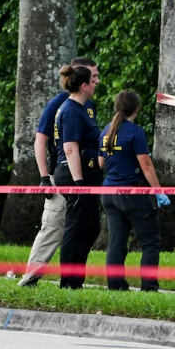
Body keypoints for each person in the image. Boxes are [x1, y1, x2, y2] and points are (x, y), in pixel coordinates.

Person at [18, 58, 99, 287]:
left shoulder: (88, 105)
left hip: (80, 173)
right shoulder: (61, 104)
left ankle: (73, 279)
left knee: (86, 226)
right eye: (94, 76)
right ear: (82, 79)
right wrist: (45, 177)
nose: (97, 80)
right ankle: (31, 277)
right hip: (63, 174)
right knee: (53, 226)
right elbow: (41, 141)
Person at [98, 90, 169, 292]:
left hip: (109, 194)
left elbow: (101, 163)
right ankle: (149, 287)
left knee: (117, 241)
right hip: (132, 194)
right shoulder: (135, 132)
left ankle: (116, 285)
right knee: (151, 242)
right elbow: (146, 165)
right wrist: (158, 191)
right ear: (136, 109)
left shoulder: (106, 131)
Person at [53, 64, 103, 289]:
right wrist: (79, 182)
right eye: (92, 81)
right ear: (83, 86)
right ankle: (69, 282)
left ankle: (76, 279)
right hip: (74, 173)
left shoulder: (81, 108)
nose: (96, 84)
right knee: (76, 225)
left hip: (85, 173)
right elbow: (70, 148)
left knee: (91, 226)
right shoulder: (71, 110)